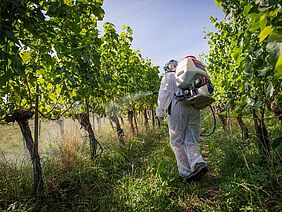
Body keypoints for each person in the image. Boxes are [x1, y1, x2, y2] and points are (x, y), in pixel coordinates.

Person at [156, 59, 208, 181]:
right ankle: (197, 163)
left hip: (178, 106)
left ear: (168, 67)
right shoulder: (189, 76)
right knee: (191, 139)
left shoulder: (169, 76)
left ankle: (185, 172)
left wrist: (160, 111)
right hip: (193, 105)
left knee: (176, 141)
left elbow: (165, 94)